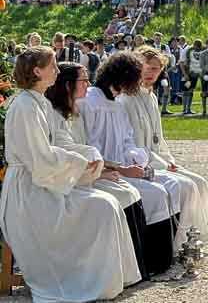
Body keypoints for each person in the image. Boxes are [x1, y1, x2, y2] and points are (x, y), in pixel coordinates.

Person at [0, 47, 143, 302]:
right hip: (30, 193)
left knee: (107, 203)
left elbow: (60, 143)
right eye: (53, 65)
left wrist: (90, 155)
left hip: (43, 184)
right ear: (37, 71)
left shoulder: (40, 102)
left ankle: (95, 276)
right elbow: (40, 158)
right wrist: (79, 162)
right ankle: (80, 278)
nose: (57, 70)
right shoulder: (25, 106)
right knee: (101, 206)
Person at [45, 61, 158, 280]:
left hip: (85, 174)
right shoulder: (57, 114)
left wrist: (109, 169)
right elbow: (68, 154)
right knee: (116, 198)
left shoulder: (74, 113)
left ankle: (137, 267)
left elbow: (89, 151)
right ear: (68, 85)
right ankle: (115, 272)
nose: (88, 84)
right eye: (83, 80)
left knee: (129, 192)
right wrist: (106, 171)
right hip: (67, 180)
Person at [77, 52, 194, 255]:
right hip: (103, 172)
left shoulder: (116, 104)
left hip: (125, 167)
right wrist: (121, 168)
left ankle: (171, 251)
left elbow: (127, 141)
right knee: (156, 194)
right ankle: (152, 257)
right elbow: (88, 146)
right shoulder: (89, 101)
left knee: (173, 185)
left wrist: (136, 158)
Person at [121, 47, 208, 242]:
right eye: (146, 68)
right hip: (141, 162)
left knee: (200, 182)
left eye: (155, 69)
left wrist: (169, 160)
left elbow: (159, 138)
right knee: (189, 185)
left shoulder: (152, 97)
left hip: (158, 158)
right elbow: (137, 144)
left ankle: (192, 237)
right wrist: (164, 165)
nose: (150, 73)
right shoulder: (128, 98)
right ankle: (180, 242)